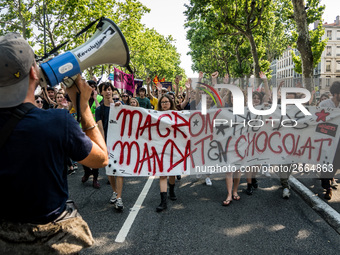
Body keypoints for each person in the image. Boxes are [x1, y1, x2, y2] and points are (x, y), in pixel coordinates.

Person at [0, 33, 108, 254]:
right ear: (33, 72)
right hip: (51, 242)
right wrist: (83, 105)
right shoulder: (57, 122)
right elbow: (101, 159)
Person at [96, 82, 125, 210]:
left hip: (119, 143)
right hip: (107, 143)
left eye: (109, 89)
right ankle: (114, 191)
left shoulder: (120, 106)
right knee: (110, 171)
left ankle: (119, 198)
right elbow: (100, 128)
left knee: (119, 170)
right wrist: (103, 145)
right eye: (105, 90)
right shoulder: (99, 110)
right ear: (101, 93)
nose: (108, 92)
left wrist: (120, 107)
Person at [156, 94, 178, 212]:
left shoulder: (177, 115)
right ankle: (163, 201)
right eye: (162, 102)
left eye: (166, 102)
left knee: (172, 173)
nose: (164, 104)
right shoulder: (155, 115)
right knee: (163, 174)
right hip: (161, 148)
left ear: (171, 103)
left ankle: (172, 190)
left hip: (174, 147)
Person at [319, 81, 340, 200]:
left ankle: (329, 178)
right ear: (336, 93)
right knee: (326, 162)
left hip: (339, 140)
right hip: (326, 138)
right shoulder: (324, 104)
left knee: (336, 162)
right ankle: (327, 188)